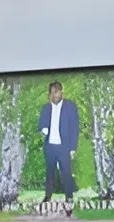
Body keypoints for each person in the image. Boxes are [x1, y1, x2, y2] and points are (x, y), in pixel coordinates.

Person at [38, 81, 79, 215]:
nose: (53, 95)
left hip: (64, 147)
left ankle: (69, 198)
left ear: (61, 92)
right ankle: (48, 196)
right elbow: (41, 124)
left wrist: (73, 148)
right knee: (49, 173)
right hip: (50, 146)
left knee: (66, 173)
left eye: (55, 92)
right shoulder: (46, 108)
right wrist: (43, 129)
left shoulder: (70, 106)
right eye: (51, 93)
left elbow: (74, 128)